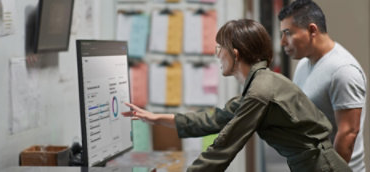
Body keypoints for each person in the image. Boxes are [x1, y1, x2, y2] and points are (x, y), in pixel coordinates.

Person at [123, 19, 351, 172]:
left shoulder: (259, 92)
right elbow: (214, 119)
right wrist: (155, 118)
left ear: (234, 53)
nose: (217, 56)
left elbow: (225, 145)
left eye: (218, 49)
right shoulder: (259, 83)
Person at [278, 1, 366, 171]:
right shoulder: (304, 64)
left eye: (288, 33)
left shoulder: (343, 71)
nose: (283, 42)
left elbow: (348, 133)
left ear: (312, 30)